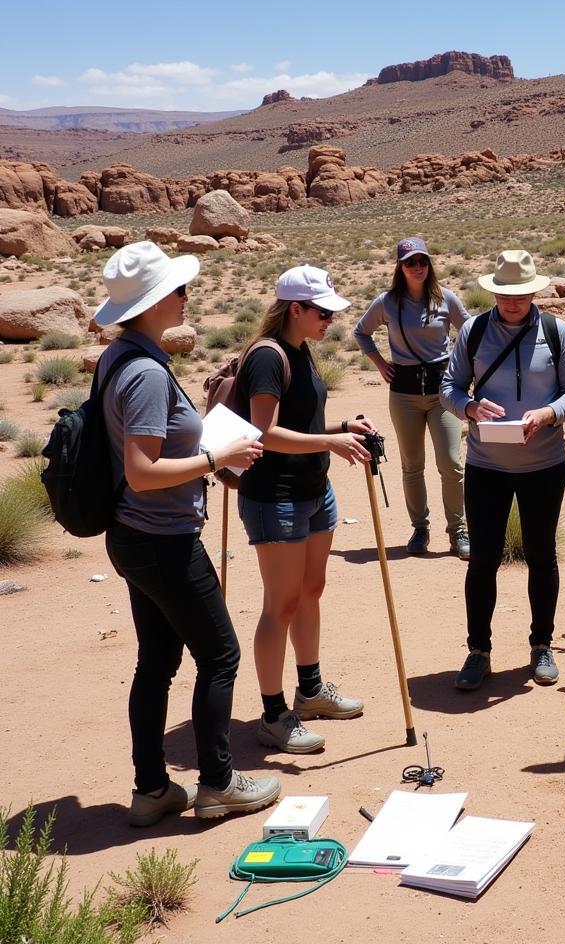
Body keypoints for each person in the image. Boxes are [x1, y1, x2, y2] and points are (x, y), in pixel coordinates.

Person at [97, 240, 280, 825]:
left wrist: (206, 446)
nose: (185, 296)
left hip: (132, 535)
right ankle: (217, 784)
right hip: (162, 539)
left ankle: (152, 790)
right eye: (177, 289)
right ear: (153, 303)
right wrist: (215, 457)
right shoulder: (146, 373)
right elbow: (143, 472)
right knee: (220, 654)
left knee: (157, 658)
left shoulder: (118, 357)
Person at [235, 264, 374, 755]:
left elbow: (301, 419)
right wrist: (331, 442)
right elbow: (264, 433)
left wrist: (343, 427)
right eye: (322, 312)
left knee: (311, 590)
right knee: (281, 604)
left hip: (314, 489)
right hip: (277, 498)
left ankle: (310, 691)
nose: (330, 320)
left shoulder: (301, 349)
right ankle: (274, 715)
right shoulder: (267, 358)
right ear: (295, 309)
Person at [441, 250, 565, 691]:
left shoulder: (556, 332)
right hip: (487, 465)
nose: (512, 302)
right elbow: (449, 387)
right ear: (493, 292)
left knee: (541, 556)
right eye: (504, 294)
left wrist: (547, 414)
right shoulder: (473, 331)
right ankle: (478, 651)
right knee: (482, 561)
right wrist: (468, 407)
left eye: (521, 294)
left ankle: (542, 646)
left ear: (534, 291)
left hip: (543, 463)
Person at [355, 237, 471, 558]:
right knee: (412, 465)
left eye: (422, 262)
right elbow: (360, 331)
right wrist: (380, 363)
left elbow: (471, 331)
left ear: (429, 264)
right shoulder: (387, 302)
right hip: (404, 394)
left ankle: (458, 532)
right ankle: (420, 529)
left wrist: (464, 368)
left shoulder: (445, 298)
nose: (417, 268)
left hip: (443, 393)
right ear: (400, 267)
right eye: (410, 263)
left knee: (450, 463)